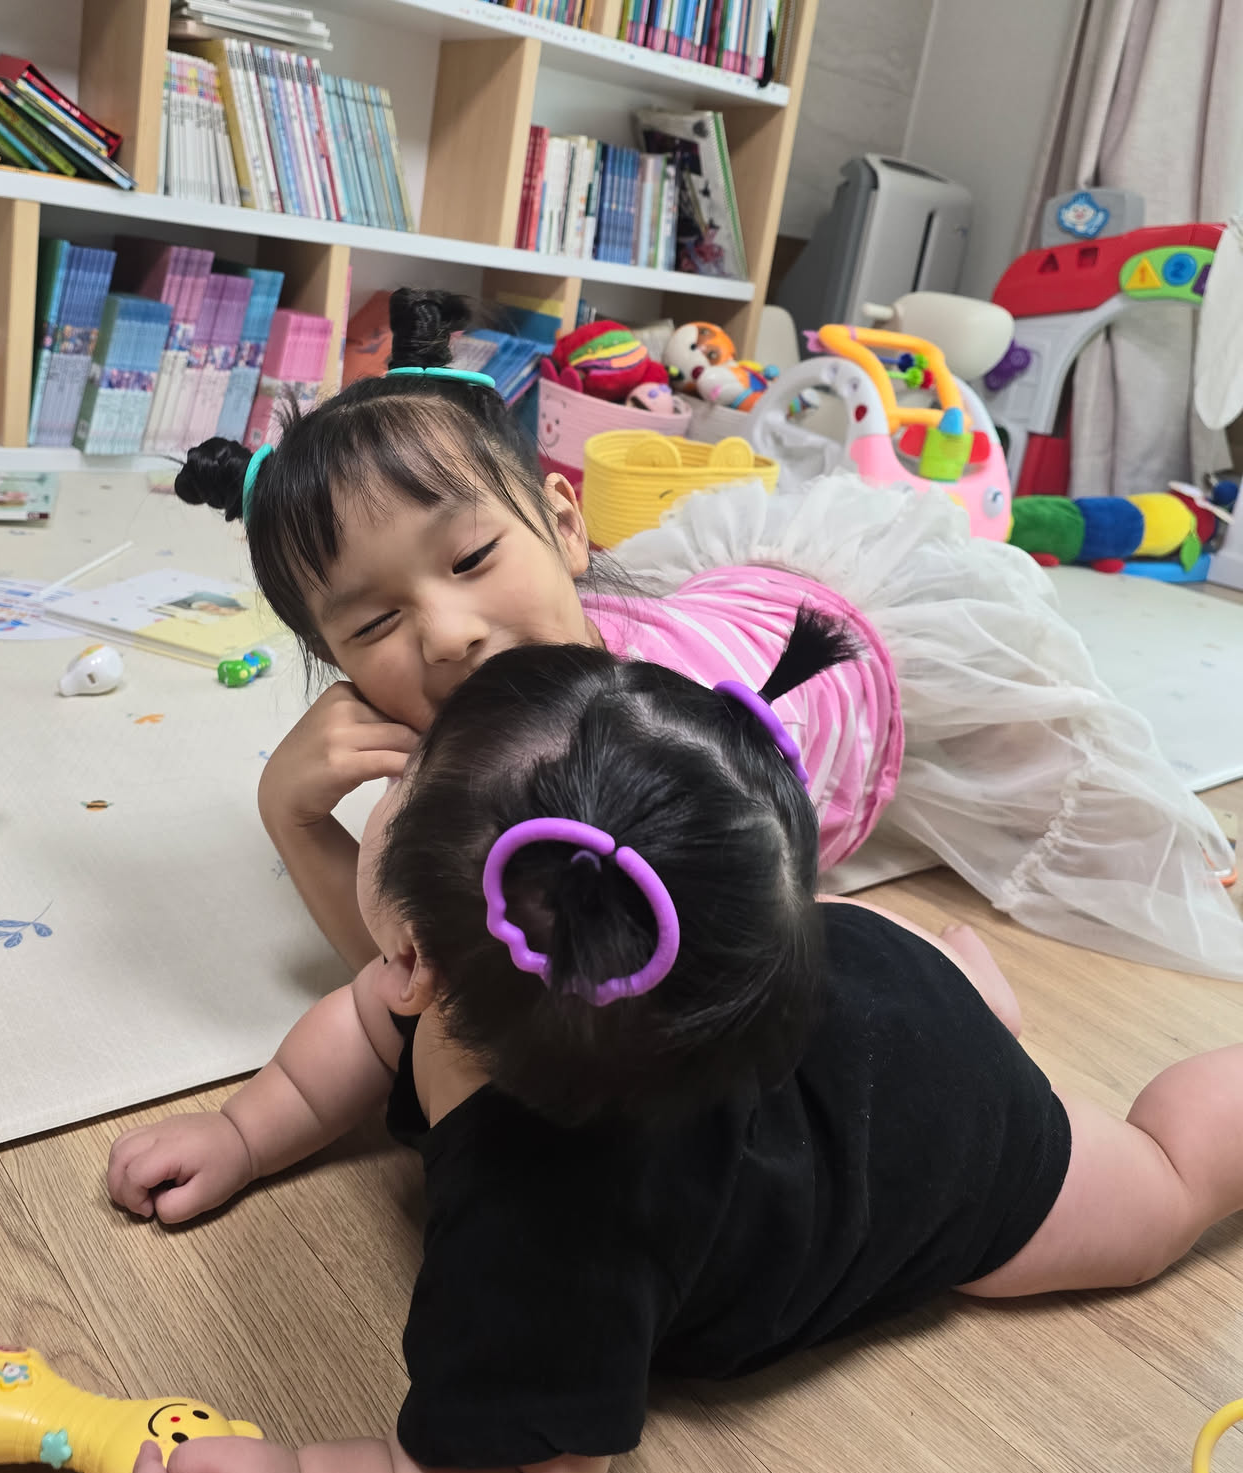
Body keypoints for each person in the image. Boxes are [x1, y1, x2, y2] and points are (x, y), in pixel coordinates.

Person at [94, 632, 1243, 1473]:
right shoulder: (563, 971)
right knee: (883, 981)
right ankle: (955, 983)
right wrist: (245, 1133)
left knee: (1160, 1187)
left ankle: (971, 1008)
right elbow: (352, 1034)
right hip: (858, 975)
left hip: (943, 1130)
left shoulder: (551, 1230)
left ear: (411, 956)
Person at [174, 287, 1242, 983]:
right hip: (735, 617)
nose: (447, 635)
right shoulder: (434, 761)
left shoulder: (657, 738)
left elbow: (746, 952)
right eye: (374, 621)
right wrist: (294, 815)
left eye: (471, 559)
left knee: (1038, 743)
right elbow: (407, 971)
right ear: (336, 662)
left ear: (564, 526)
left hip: (856, 651)